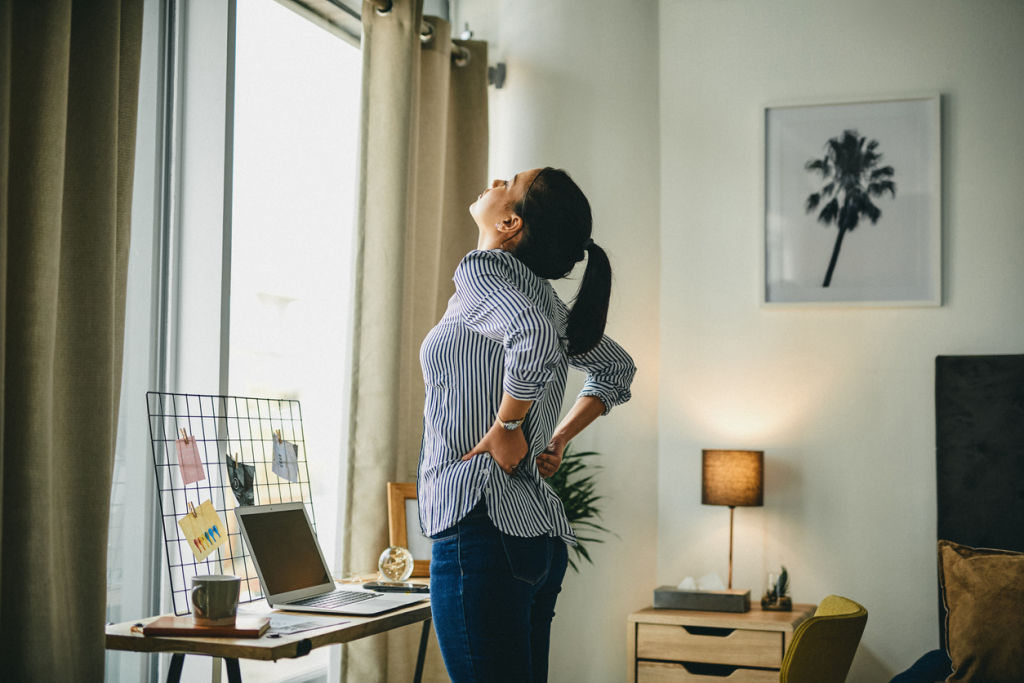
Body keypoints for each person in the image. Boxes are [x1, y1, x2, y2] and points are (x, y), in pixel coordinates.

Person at [417, 167, 636, 682]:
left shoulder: (484, 271)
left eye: (509, 182)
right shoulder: (539, 297)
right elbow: (615, 368)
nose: (494, 180)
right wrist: (556, 438)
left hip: (480, 527)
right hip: (531, 537)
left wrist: (509, 426)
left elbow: (534, 340)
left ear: (511, 223)